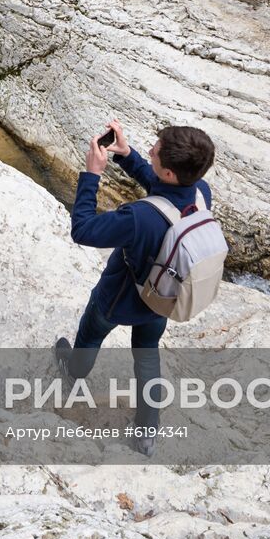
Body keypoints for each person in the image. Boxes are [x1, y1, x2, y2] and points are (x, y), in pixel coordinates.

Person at [56, 120, 216, 456]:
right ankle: (146, 433)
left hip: (118, 298)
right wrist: (127, 156)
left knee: (91, 332)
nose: (150, 150)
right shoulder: (201, 193)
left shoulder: (137, 218)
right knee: (146, 355)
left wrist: (92, 175)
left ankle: (74, 370)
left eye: (154, 151)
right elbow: (165, 198)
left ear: (169, 172)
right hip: (161, 299)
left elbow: (83, 229)